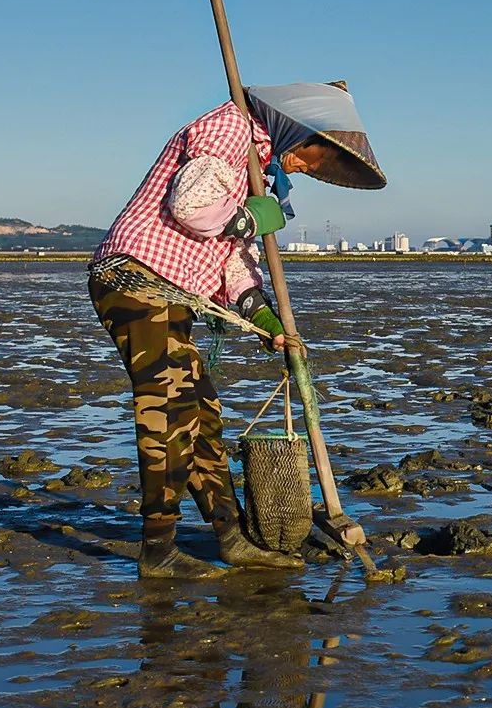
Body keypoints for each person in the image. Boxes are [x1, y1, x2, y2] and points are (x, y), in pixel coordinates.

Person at [88, 81, 386, 578]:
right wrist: (250, 217)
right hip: (136, 279)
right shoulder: (229, 129)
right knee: (169, 410)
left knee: (202, 412)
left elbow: (237, 270)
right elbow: (193, 209)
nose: (310, 167)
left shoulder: (258, 170)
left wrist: (268, 323)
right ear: (297, 129)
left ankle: (230, 537)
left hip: (171, 294)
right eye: (314, 155)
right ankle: (158, 549)